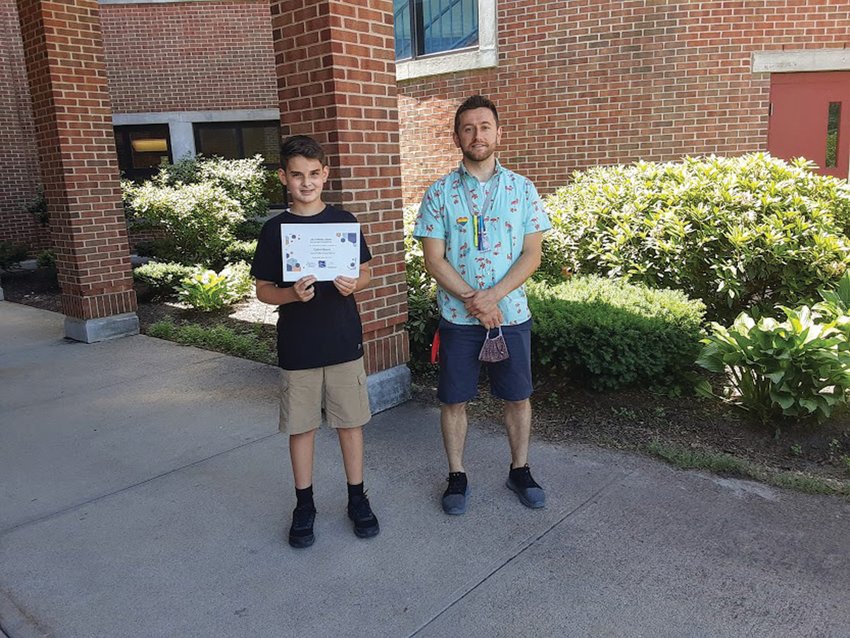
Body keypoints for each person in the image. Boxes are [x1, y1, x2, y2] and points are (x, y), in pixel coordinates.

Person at [413, 95, 552, 515]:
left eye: (485, 126)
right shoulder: (438, 193)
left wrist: (493, 297)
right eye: (468, 128)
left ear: (498, 132)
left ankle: (520, 469)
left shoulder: (522, 189)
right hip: (459, 320)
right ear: (457, 136)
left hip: (510, 316)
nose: (477, 135)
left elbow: (533, 254)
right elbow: (434, 259)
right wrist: (476, 302)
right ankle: (456, 475)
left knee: (517, 396)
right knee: (454, 399)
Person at [251, 135, 379, 548]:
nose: (306, 183)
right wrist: (291, 295)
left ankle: (356, 498)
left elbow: (367, 274)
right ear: (284, 178)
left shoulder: (343, 221)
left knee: (350, 424)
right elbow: (263, 290)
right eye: (297, 175)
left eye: (313, 174)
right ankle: (304, 504)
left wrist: (351, 284)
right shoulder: (275, 231)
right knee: (302, 428)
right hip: (299, 344)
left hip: (342, 340)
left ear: (326, 174)